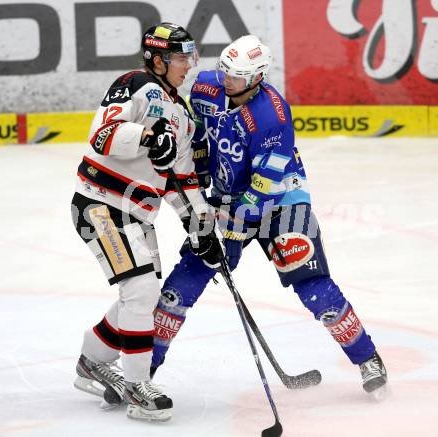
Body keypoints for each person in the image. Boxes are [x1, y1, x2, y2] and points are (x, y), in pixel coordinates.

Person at [150, 35, 388, 397]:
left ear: (257, 77)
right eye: (224, 71)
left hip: (282, 201)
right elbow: (197, 139)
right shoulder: (204, 89)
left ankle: (367, 358)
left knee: (313, 286)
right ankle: (143, 368)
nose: (227, 80)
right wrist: (199, 190)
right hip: (225, 197)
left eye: (238, 76)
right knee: (185, 280)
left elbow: (265, 184)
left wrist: (230, 223)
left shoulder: (273, 116)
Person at [70, 22, 223, 422]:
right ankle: (138, 386)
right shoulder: (133, 84)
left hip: (137, 215)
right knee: (140, 289)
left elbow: (182, 179)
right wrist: (146, 136)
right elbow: (102, 136)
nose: (188, 65)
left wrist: (201, 227)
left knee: (142, 295)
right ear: (157, 59)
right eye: (179, 57)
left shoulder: (183, 117)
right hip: (99, 205)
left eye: (190, 56)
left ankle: (92, 360)